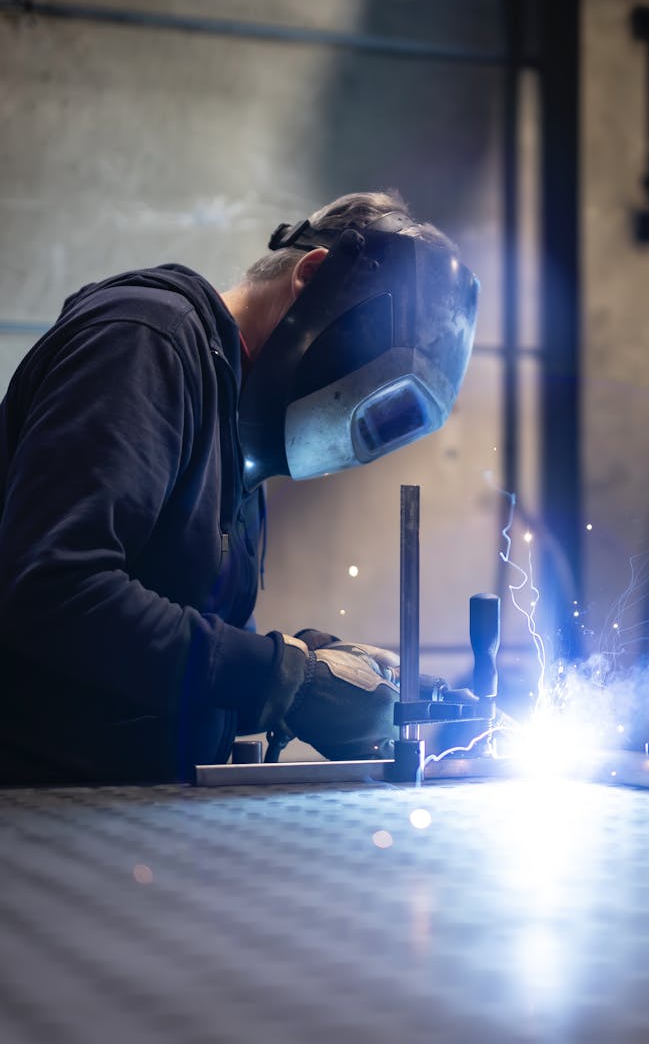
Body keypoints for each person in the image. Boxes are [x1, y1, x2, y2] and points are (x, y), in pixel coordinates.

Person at [0, 191, 478, 784]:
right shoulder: (147, 343)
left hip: (121, 810)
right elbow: (53, 589)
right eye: (364, 394)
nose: (352, 435)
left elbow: (180, 649)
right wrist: (278, 678)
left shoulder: (235, 426)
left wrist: (312, 663)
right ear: (313, 275)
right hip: (34, 810)